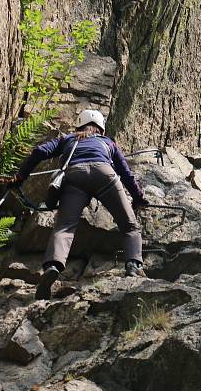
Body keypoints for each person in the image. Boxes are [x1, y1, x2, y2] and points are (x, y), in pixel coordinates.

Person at [8, 109, 149, 299]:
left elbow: (40, 151)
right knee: (130, 225)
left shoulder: (68, 139)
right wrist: (138, 198)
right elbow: (125, 173)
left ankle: (52, 266)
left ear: (79, 125)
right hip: (104, 175)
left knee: (64, 227)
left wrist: (19, 177)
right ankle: (133, 265)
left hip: (74, 177)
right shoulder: (108, 142)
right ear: (101, 128)